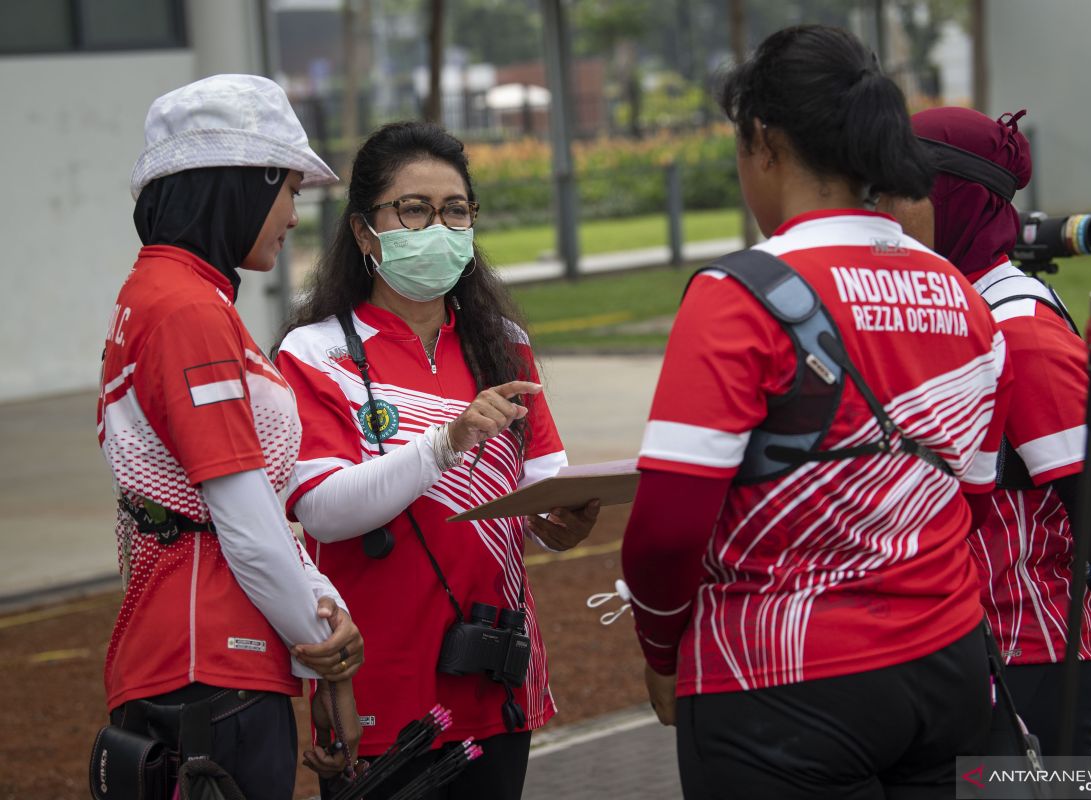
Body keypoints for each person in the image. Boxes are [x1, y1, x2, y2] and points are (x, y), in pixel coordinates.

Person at [619, 25, 1013, 799]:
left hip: (781, 685)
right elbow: (970, 494)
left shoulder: (737, 296)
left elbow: (666, 528)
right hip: (949, 667)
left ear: (763, 142)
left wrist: (661, 648)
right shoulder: (963, 296)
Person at [274, 121, 599, 799]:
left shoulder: (502, 343)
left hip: (496, 676)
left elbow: (543, 484)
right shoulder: (313, 354)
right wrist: (445, 443)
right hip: (380, 694)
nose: (439, 227)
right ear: (366, 232)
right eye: (414, 209)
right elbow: (324, 512)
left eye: (456, 210)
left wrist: (565, 520)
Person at [97, 74, 364, 799]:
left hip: (194, 654)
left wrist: (315, 607)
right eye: (290, 192)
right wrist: (324, 649)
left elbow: (250, 507)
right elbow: (242, 519)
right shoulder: (187, 308)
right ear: (245, 184)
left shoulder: (168, 294)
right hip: (210, 663)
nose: (294, 217)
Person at [883, 105, 1091, 757]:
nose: (882, 209)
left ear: (956, 198)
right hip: (969, 658)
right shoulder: (947, 305)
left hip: (1032, 664)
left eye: (899, 186)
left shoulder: (1020, 330)